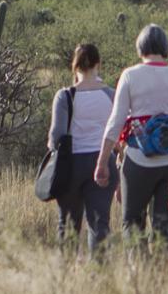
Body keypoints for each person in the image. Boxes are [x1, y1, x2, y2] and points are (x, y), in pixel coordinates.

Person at [96, 23, 168, 247]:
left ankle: (137, 274)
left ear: (140, 47)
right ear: (165, 48)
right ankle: (160, 276)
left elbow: (116, 121)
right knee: (165, 227)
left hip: (138, 161)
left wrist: (102, 162)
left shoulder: (130, 75)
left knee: (132, 223)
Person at [45, 43, 115, 255]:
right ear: (98, 64)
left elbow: (55, 137)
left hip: (71, 164)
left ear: (74, 67)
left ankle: (65, 278)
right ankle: (99, 276)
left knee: (67, 223)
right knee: (99, 223)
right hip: (103, 161)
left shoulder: (65, 96)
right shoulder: (112, 95)